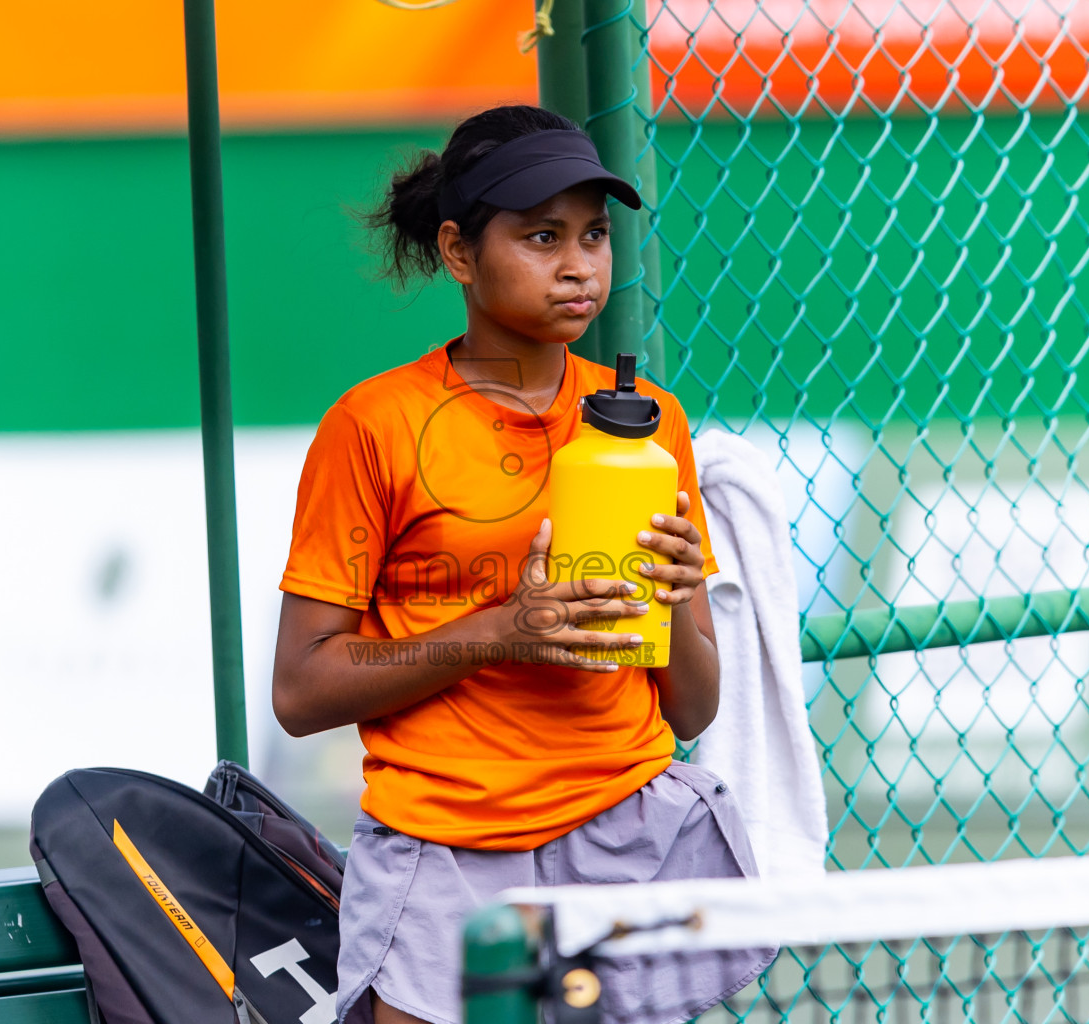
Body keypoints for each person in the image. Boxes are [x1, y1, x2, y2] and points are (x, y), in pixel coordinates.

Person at [273, 104, 775, 1024]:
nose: (580, 265)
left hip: (627, 831)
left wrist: (676, 597)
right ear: (460, 253)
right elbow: (301, 693)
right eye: (542, 237)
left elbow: (693, 705)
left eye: (593, 235)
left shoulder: (651, 420)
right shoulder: (374, 426)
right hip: (445, 853)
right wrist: (505, 630)